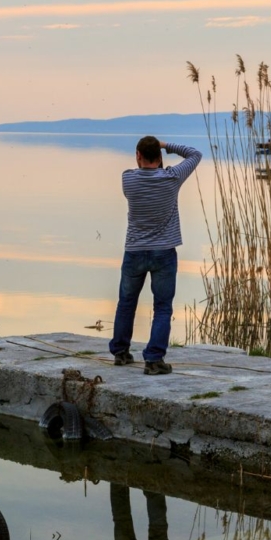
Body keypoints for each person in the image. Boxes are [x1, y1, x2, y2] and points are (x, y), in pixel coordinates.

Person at [109, 136, 202, 375]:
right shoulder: (172, 178)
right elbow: (195, 154)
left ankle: (120, 353)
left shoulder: (127, 178)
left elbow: (142, 173)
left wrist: (154, 155)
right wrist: (166, 146)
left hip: (134, 251)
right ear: (160, 158)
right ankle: (153, 359)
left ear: (138, 155)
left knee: (126, 303)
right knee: (162, 307)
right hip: (164, 252)